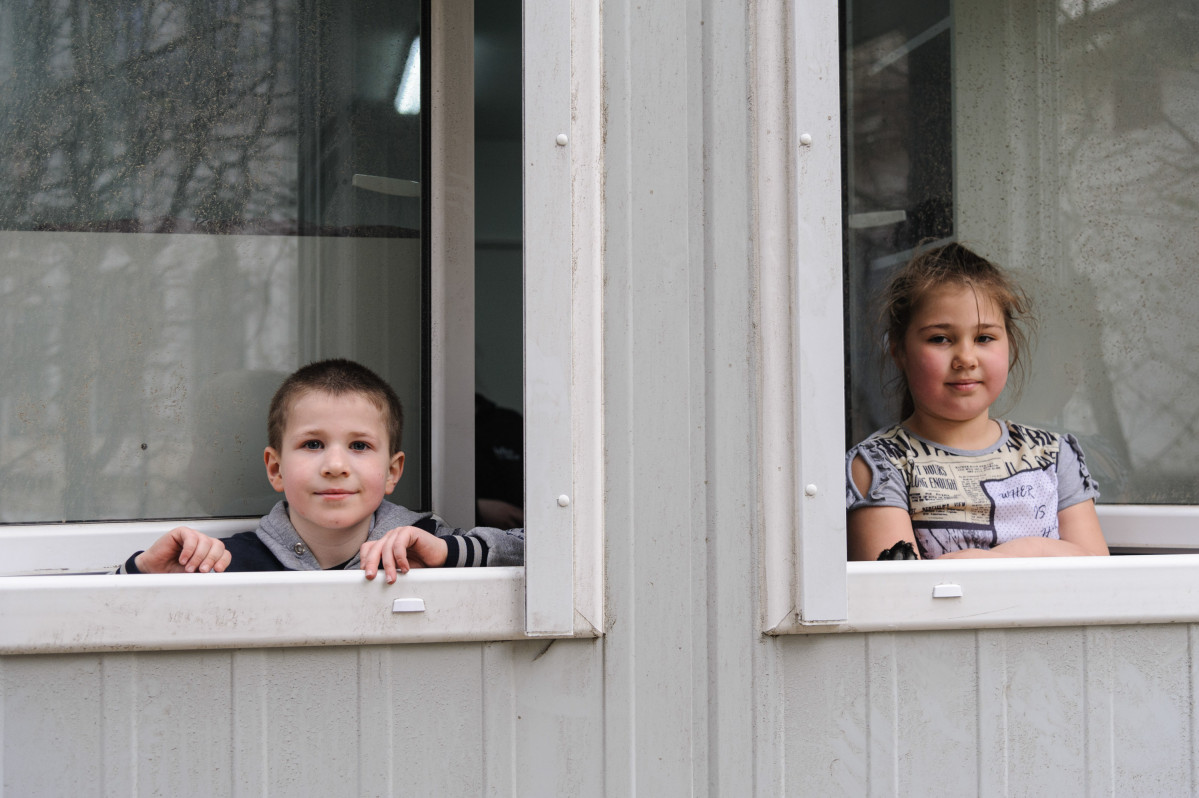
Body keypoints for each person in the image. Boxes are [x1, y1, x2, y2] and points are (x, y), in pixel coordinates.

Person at [119, 359, 524, 581]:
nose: (334, 466)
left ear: (392, 471)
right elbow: (98, 611)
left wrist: (448, 554)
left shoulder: (428, 548)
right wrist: (144, 571)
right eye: (312, 444)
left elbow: (550, 552)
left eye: (360, 446)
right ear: (275, 468)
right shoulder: (228, 563)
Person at [845, 242, 1109, 560]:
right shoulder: (881, 467)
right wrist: (1037, 556)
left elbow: (1095, 575)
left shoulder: (1052, 456)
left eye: (984, 338)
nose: (966, 358)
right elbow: (901, 596)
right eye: (940, 339)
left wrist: (1021, 550)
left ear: (1009, 345)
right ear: (900, 350)